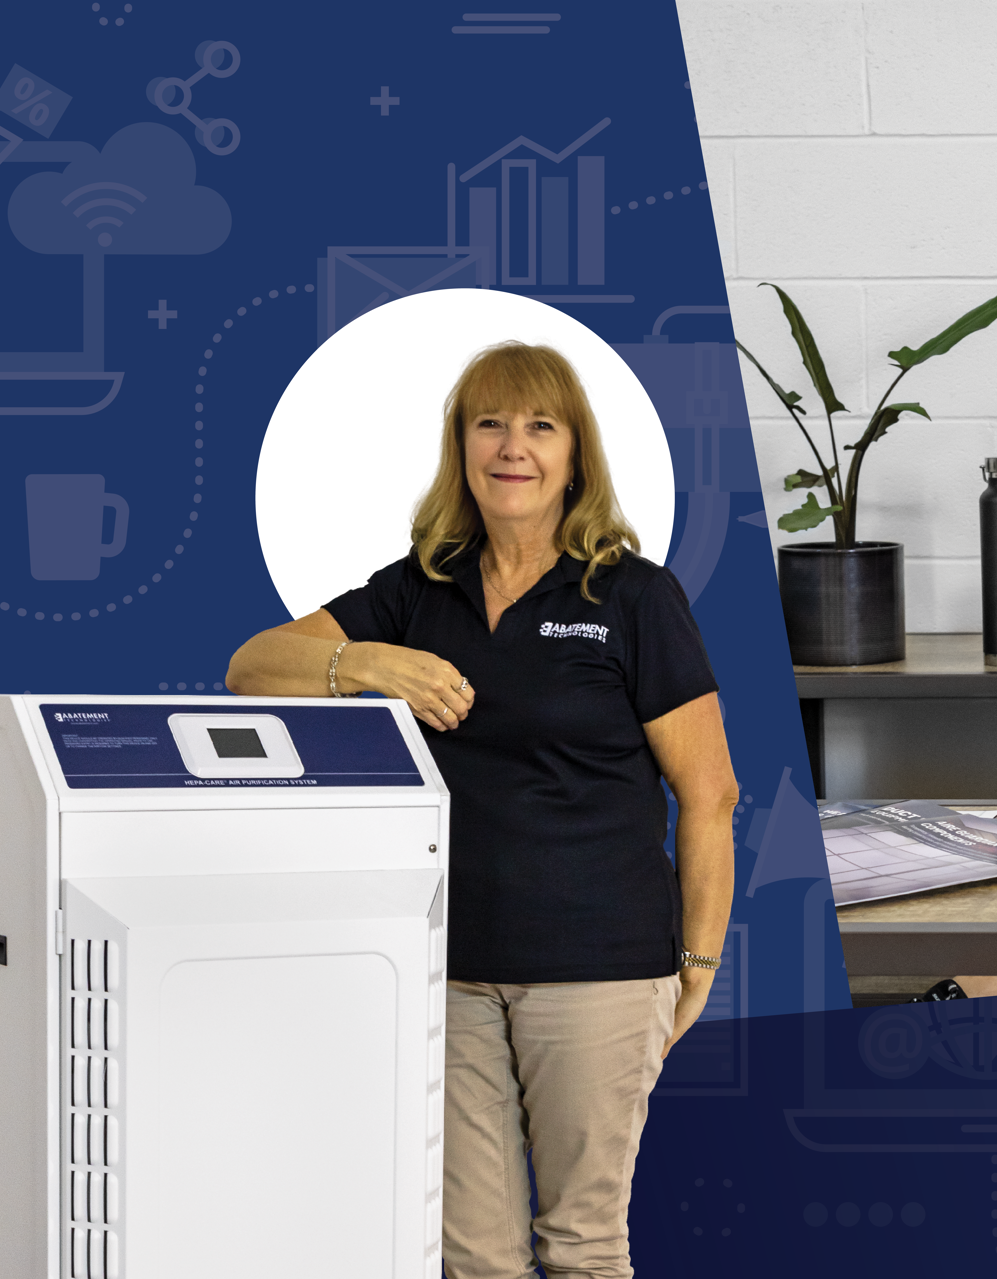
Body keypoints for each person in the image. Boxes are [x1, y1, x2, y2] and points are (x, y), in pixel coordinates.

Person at [225, 341, 738, 1278]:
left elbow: (710, 795)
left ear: (576, 454)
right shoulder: (419, 588)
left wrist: (698, 960)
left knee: (583, 1245)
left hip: (597, 969)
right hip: (450, 969)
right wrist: (367, 662)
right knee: (471, 1257)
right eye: (490, 424)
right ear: (461, 446)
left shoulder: (632, 595)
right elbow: (251, 667)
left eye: (541, 426)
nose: (513, 447)